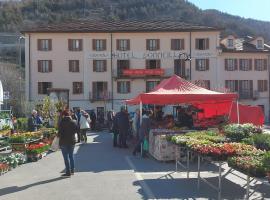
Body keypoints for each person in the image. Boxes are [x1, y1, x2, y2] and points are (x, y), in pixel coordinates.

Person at [58, 110, 77, 177]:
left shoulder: (61, 123)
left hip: (64, 142)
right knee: (71, 156)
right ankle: (72, 171)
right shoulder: (73, 122)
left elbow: (59, 133)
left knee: (66, 157)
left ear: (63, 115)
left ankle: (68, 172)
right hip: (72, 141)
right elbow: (76, 131)